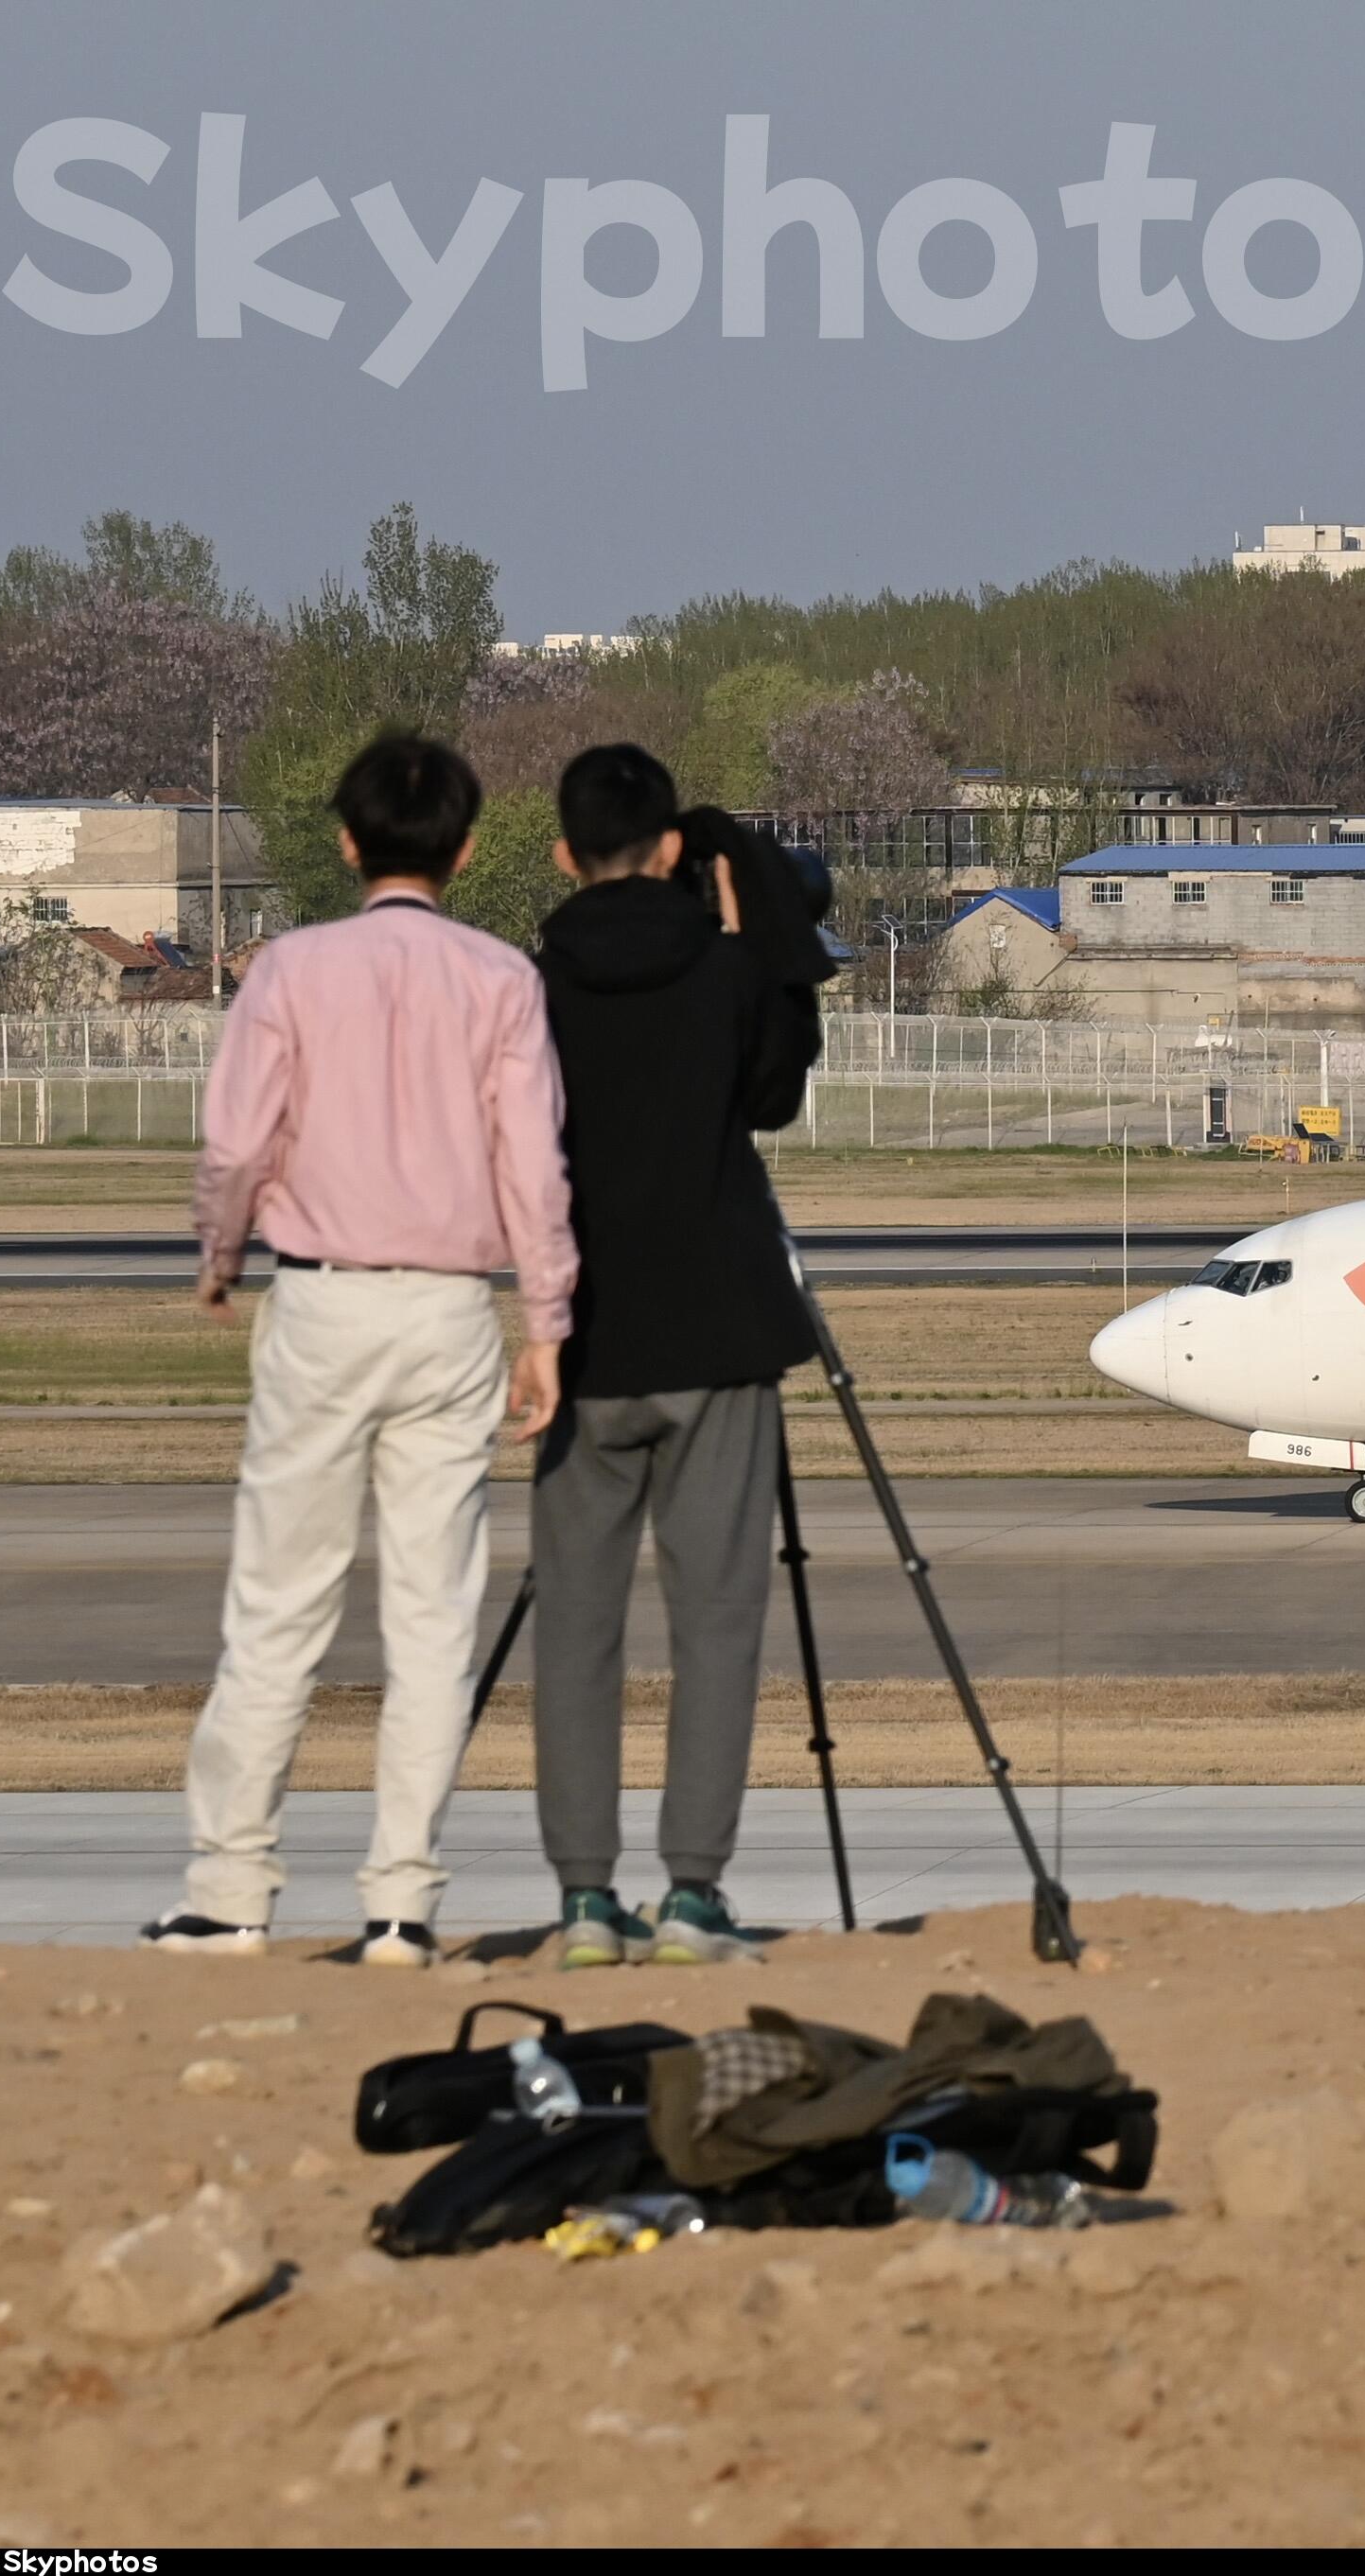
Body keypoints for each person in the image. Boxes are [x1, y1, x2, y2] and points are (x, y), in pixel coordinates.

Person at [155, 736, 574, 1967]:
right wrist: (544, 1321)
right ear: (465, 845)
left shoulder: (290, 969)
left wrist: (220, 1253)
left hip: (322, 1301)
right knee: (434, 1615)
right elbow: (532, 1169)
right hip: (449, 1307)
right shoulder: (501, 977)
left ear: (347, 842)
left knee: (277, 1605)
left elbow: (238, 1142)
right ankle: (401, 1900)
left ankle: (231, 1889)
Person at [528, 744, 830, 1969]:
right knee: (716, 1618)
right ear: (670, 850)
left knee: (577, 1623)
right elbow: (772, 1101)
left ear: (561, 854)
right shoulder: (725, 972)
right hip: (717, 1324)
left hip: (582, 1329)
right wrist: (762, 943)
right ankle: (693, 1889)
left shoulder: (528, 985)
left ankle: (586, 1897)